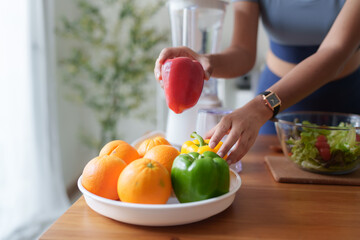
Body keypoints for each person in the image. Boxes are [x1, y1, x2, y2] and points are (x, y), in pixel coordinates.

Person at [154, 0, 360, 165]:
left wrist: (262, 106)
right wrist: (205, 61)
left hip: (342, 101)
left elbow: (335, 53)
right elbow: (243, 53)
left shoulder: (263, 106)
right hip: (276, 110)